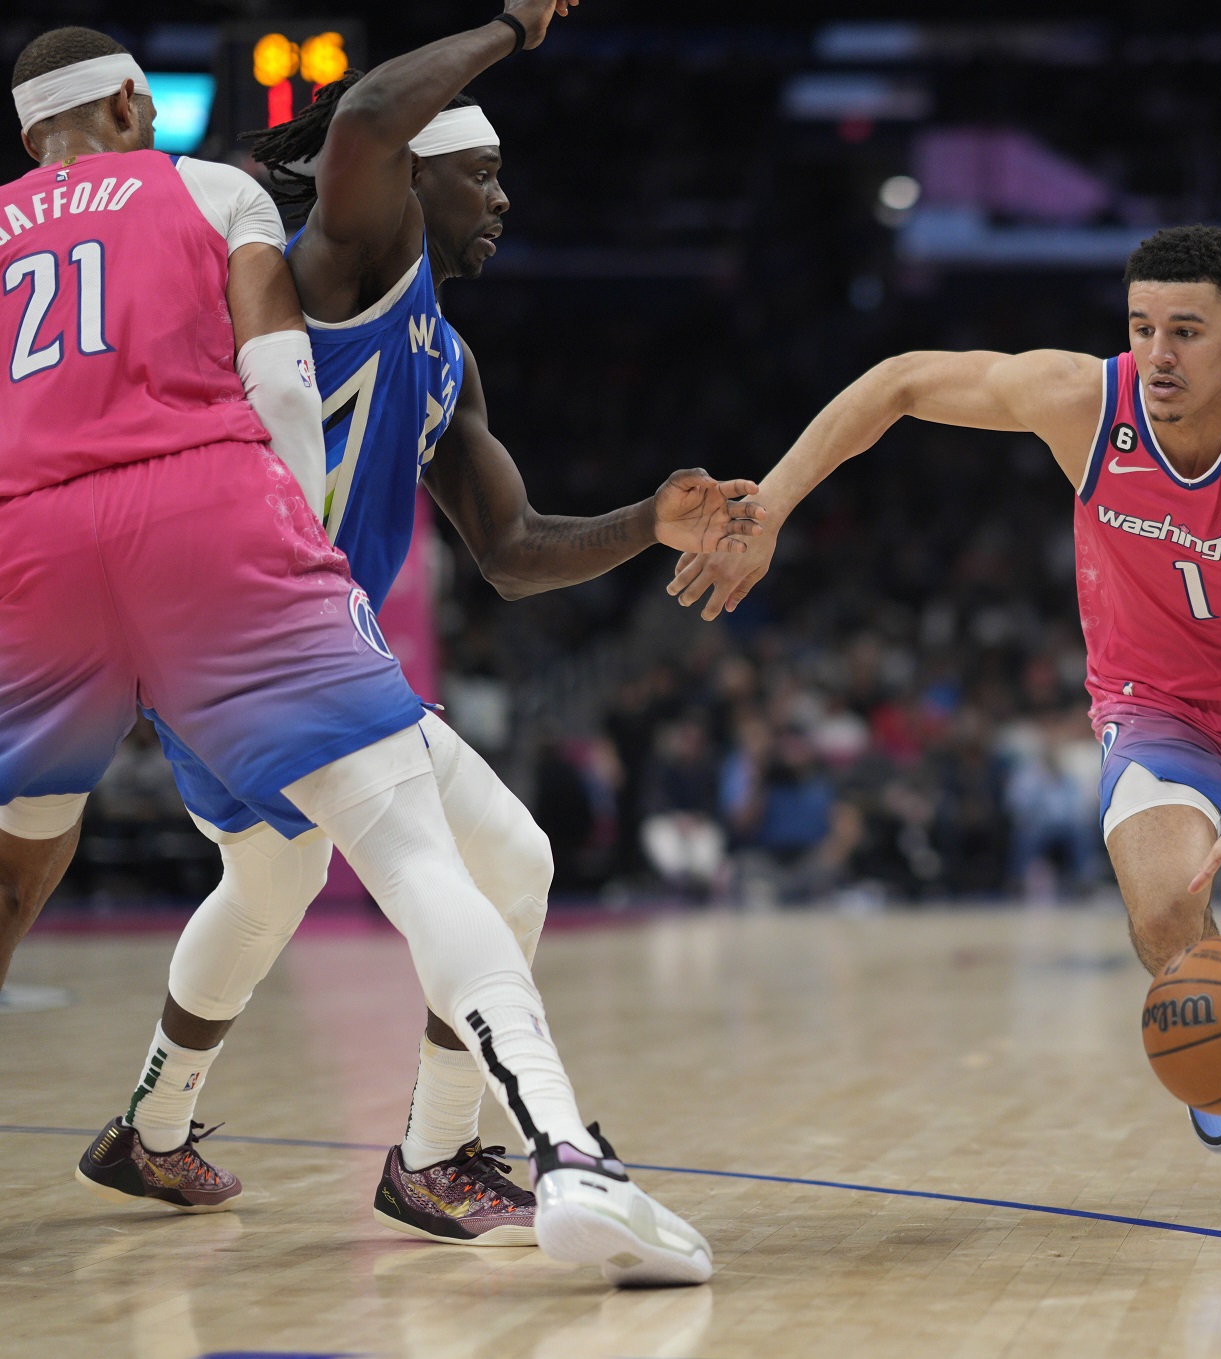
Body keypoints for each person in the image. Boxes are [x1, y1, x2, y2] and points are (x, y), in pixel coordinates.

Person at [0, 18, 715, 1286]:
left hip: (169, 612)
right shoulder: (342, 262)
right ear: (409, 183)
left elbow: (511, 547)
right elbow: (368, 122)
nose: (502, 198)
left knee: (269, 882)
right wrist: (507, 25)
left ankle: (153, 1131)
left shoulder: (445, 349)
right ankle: (461, 1155)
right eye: (481, 173)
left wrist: (648, 525)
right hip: (244, 602)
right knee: (496, 858)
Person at [671, 226, 1221, 1188]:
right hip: (1158, 703)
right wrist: (769, 505)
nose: (1156, 353)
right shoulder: (1085, 406)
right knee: (1162, 910)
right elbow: (898, 381)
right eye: (1141, 326)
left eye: (1186, 330)